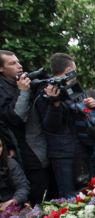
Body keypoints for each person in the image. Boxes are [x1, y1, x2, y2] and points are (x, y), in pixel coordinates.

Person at [35, 53, 95, 198]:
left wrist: (91, 106)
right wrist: (55, 103)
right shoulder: (46, 89)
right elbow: (50, 126)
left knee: (85, 192)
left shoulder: (73, 88)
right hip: (62, 153)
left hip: (81, 147)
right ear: (69, 69)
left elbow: (85, 112)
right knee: (68, 196)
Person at [0, 50, 50, 203]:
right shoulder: (5, 89)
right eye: (12, 63)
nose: (19, 66)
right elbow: (16, 118)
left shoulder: (21, 82)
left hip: (39, 146)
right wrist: (23, 92)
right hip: (23, 152)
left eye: (18, 61)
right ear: (1, 69)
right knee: (37, 196)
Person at [0, 137, 29, 210]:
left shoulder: (10, 163)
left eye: (0, 146)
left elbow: (22, 186)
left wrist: (14, 200)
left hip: (11, 206)